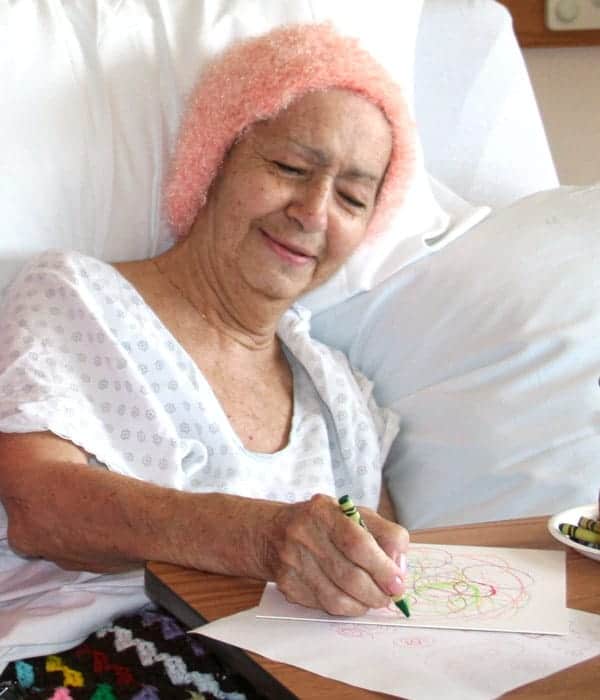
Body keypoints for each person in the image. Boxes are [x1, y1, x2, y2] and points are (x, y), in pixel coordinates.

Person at [0, 22, 415, 673]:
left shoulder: (342, 397)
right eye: (289, 168)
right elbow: (39, 508)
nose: (313, 211)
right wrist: (259, 538)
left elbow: (390, 585)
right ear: (214, 157)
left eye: (353, 196)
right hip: (84, 662)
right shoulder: (79, 298)